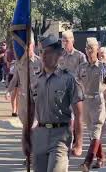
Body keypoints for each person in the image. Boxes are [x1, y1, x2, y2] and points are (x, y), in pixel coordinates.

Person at [24, 34, 84, 172]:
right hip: (40, 134)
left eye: (49, 52)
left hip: (61, 135)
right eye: (41, 52)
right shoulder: (35, 81)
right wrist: (26, 139)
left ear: (59, 54)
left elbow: (79, 113)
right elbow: (30, 113)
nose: (44, 56)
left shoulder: (69, 79)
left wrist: (79, 143)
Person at [77, 38, 106, 171]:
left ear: (97, 51)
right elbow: (76, 84)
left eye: (92, 49)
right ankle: (101, 158)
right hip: (86, 102)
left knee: (96, 131)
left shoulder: (103, 67)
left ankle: (87, 162)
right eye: (87, 49)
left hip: (99, 102)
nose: (89, 51)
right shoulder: (82, 67)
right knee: (92, 133)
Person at [6, 36, 42, 163]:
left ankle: (33, 154)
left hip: (37, 100)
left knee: (33, 127)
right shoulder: (19, 63)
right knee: (26, 128)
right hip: (24, 100)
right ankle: (28, 155)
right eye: (25, 47)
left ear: (33, 46)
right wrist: (8, 91)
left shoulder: (40, 62)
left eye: (29, 46)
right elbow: (15, 79)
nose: (27, 49)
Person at [5, 43, 19, 117]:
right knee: (17, 94)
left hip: (12, 73)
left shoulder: (9, 53)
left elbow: (7, 65)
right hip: (17, 74)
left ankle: (14, 110)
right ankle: (16, 110)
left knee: (14, 94)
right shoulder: (20, 52)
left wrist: (12, 63)